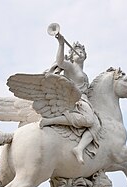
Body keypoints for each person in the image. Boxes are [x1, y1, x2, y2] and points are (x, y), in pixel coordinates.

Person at [40, 35, 100, 164]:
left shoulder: (84, 74)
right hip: (77, 101)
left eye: (81, 51)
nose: (79, 53)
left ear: (85, 55)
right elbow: (60, 62)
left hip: (85, 101)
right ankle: (49, 121)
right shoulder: (71, 67)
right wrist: (61, 44)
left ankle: (79, 148)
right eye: (76, 51)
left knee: (97, 124)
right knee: (89, 120)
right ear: (72, 56)